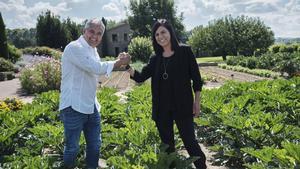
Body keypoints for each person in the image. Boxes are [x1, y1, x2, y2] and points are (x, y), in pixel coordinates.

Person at [127, 19, 207, 168]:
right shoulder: (155, 58)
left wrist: (197, 102)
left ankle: (202, 166)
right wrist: (127, 66)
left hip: (183, 105)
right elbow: (140, 77)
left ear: (170, 32)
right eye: (156, 34)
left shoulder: (185, 51)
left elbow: (196, 79)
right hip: (162, 108)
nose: (160, 36)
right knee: (167, 146)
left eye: (163, 32)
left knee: (190, 141)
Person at [59, 18, 130, 168]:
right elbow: (95, 67)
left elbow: (95, 72)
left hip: (91, 106)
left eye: (99, 33)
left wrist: (118, 62)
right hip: (73, 106)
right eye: (92, 31)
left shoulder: (93, 51)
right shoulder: (74, 47)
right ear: (84, 31)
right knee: (72, 148)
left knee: (95, 145)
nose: (95, 36)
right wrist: (117, 62)